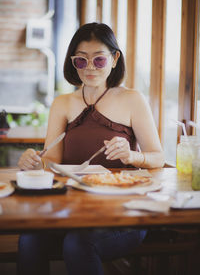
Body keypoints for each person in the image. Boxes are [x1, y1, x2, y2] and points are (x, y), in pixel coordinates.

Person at [17, 22, 165, 275]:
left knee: (78, 244)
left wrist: (132, 155)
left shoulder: (132, 100)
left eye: (98, 60)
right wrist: (34, 162)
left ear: (115, 58)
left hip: (124, 211)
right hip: (71, 208)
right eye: (81, 61)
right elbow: (51, 160)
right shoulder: (62, 103)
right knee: (29, 238)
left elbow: (158, 157)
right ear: (72, 62)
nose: (89, 68)